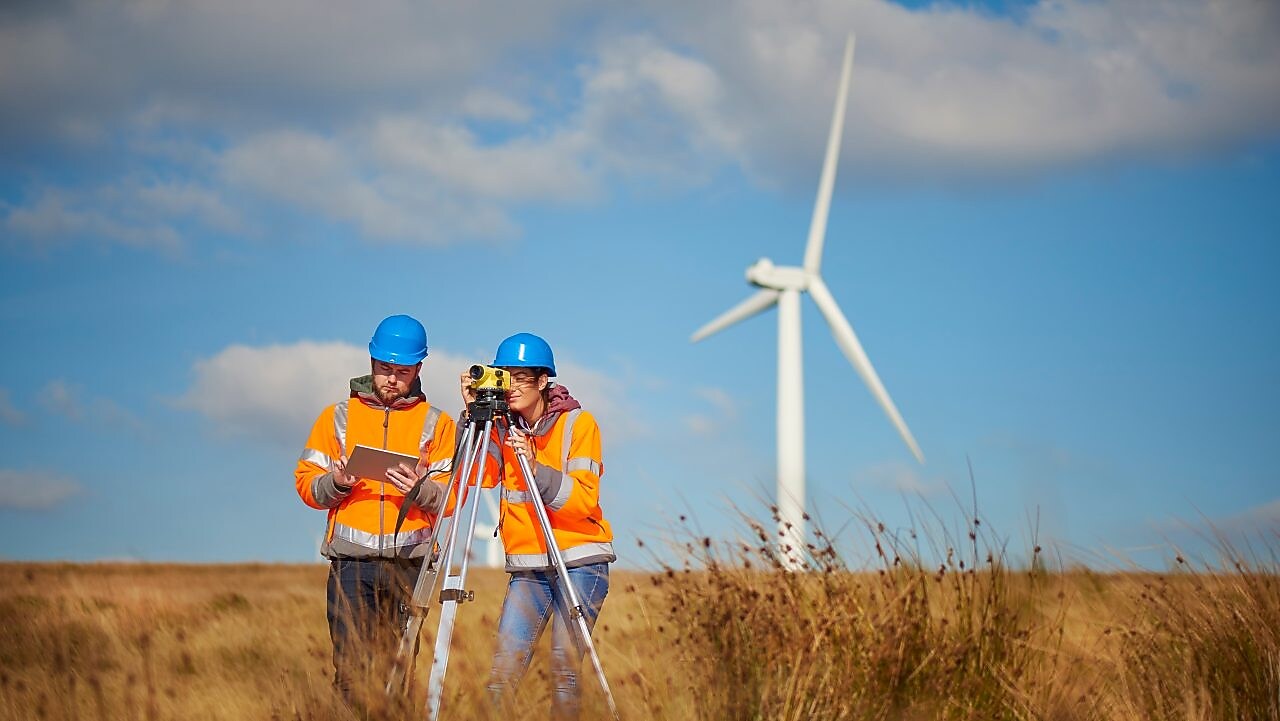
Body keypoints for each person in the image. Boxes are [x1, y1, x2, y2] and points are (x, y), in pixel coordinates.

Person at [295, 314, 457, 704]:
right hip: (352, 567)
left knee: (397, 676)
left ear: (419, 368)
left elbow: (453, 496)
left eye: (402, 371)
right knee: (351, 673)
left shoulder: (437, 424)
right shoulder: (337, 418)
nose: (392, 378)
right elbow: (306, 484)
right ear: (371, 361)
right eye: (385, 368)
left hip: (408, 567)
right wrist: (335, 483)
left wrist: (420, 491)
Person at [459, 332, 615, 721]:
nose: (510, 386)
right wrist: (472, 420)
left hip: (579, 561)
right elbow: (476, 475)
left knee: (563, 671)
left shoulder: (580, 425)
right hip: (529, 568)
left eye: (521, 377)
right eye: (504, 376)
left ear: (544, 380)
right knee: (502, 672)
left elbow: (582, 501)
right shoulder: (502, 427)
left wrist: (536, 466)